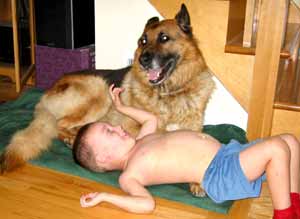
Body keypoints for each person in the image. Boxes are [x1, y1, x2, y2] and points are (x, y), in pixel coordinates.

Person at [73, 84, 300, 219]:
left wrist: (121, 107)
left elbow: (151, 118)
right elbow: (146, 204)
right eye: (110, 132)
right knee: (276, 148)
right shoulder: (129, 174)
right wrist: (104, 196)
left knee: (289, 141)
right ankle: (284, 215)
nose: (118, 127)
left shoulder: (143, 139)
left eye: (112, 125)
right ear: (104, 158)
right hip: (219, 173)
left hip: (229, 153)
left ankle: (294, 205)